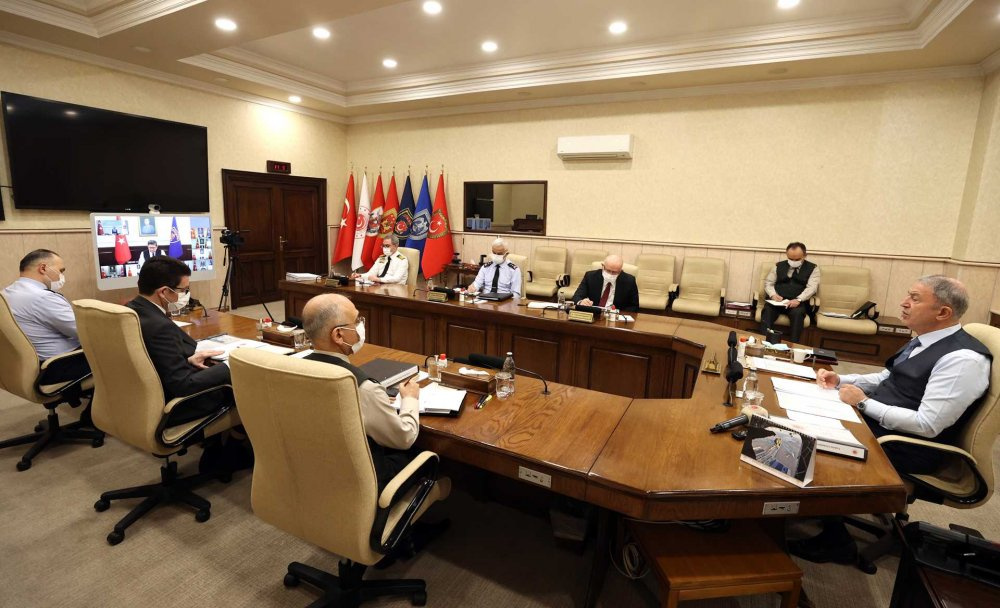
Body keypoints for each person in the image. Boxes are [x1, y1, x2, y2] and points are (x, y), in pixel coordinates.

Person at [790, 276, 991, 564]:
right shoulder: (925, 338)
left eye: (915, 298)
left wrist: (863, 403)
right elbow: (887, 377)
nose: (904, 303)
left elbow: (927, 425)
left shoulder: (963, 360)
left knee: (808, 436)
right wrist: (841, 380)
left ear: (943, 312)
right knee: (802, 412)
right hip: (882, 426)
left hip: (909, 445)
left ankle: (836, 541)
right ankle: (808, 505)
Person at [301, 293, 421, 488]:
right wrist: (410, 399)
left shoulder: (294, 369)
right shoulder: (364, 389)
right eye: (356, 321)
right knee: (420, 452)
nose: (361, 325)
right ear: (338, 335)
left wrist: (376, 403)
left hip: (313, 472)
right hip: (362, 483)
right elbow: (404, 437)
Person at [126, 256, 231, 426]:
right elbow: (183, 385)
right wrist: (229, 366)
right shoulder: (159, 326)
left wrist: (186, 360)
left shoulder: (131, 310)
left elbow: (149, 357)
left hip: (136, 400)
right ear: (164, 292)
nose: (186, 295)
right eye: (183, 290)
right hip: (172, 405)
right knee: (244, 385)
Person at [3, 249, 91, 384]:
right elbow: (85, 332)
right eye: (61, 271)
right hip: (59, 366)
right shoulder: (43, 297)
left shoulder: (6, 293)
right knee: (117, 351)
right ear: (43, 268)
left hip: (29, 368)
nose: (61, 276)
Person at [759, 242, 820, 343]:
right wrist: (773, 295)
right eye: (790, 259)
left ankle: (793, 345)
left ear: (805, 255)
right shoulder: (778, 265)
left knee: (797, 314)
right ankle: (763, 343)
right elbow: (769, 283)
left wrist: (798, 299)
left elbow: (812, 288)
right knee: (767, 310)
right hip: (778, 301)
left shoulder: (813, 268)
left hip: (797, 303)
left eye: (797, 259)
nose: (793, 262)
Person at [571, 254, 640, 313]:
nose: (611, 274)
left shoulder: (629, 281)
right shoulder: (590, 276)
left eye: (615, 272)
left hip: (615, 317)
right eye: (608, 270)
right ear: (603, 266)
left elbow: (634, 306)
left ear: (620, 270)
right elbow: (577, 296)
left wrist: (618, 313)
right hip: (594, 314)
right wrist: (581, 302)